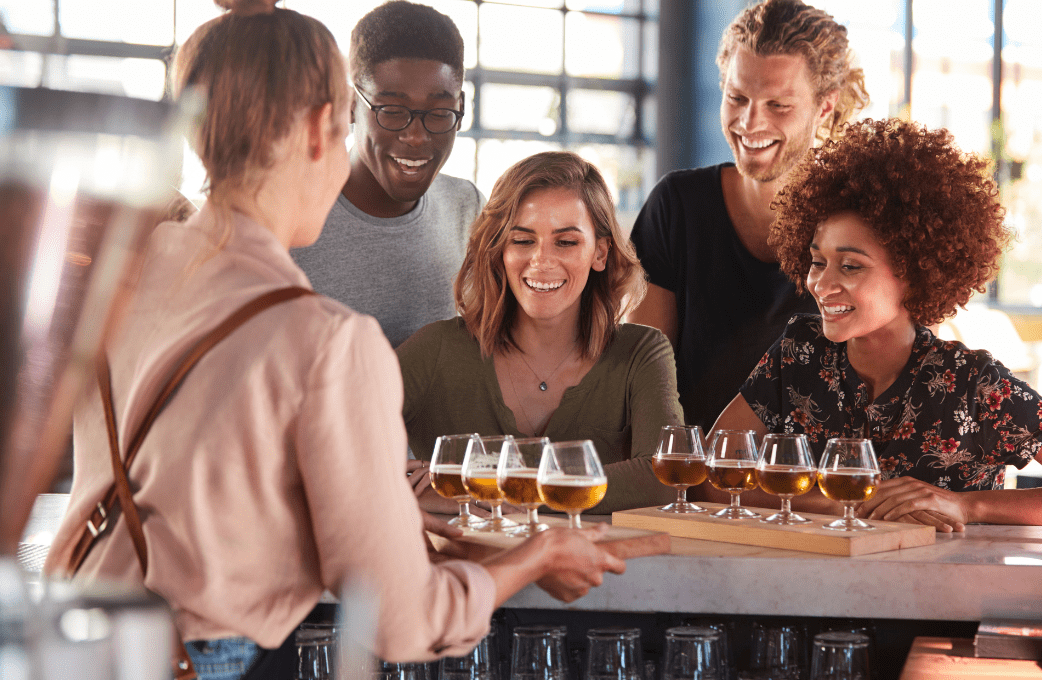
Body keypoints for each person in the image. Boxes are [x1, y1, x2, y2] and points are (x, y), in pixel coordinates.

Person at [43, 4, 625, 679]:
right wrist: (536, 556)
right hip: (205, 658)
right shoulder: (329, 342)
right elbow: (401, 618)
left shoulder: (127, 274)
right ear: (328, 126)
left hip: (74, 640)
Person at [704, 117, 1042, 531]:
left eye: (851, 267)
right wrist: (852, 504)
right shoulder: (798, 355)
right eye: (818, 261)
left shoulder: (973, 385)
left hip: (945, 601)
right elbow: (712, 474)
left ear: (913, 272)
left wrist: (967, 506)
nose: (822, 284)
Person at [398, 151, 684, 514]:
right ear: (499, 248)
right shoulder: (435, 349)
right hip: (467, 569)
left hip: (602, 571)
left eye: (566, 242)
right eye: (522, 240)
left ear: (600, 252)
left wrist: (485, 487)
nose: (542, 261)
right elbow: (331, 440)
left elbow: (661, 477)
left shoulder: (642, 352)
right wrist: (399, 483)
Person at [628, 0, 869, 431]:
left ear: (825, 108)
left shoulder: (865, 223)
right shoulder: (677, 207)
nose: (749, 123)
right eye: (736, 97)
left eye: (778, 104)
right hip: (693, 480)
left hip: (814, 486)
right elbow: (645, 377)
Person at [290, 0, 483, 348]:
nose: (416, 136)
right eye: (392, 111)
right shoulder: (290, 218)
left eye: (439, 113)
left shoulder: (467, 210)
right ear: (350, 104)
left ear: (461, 108)